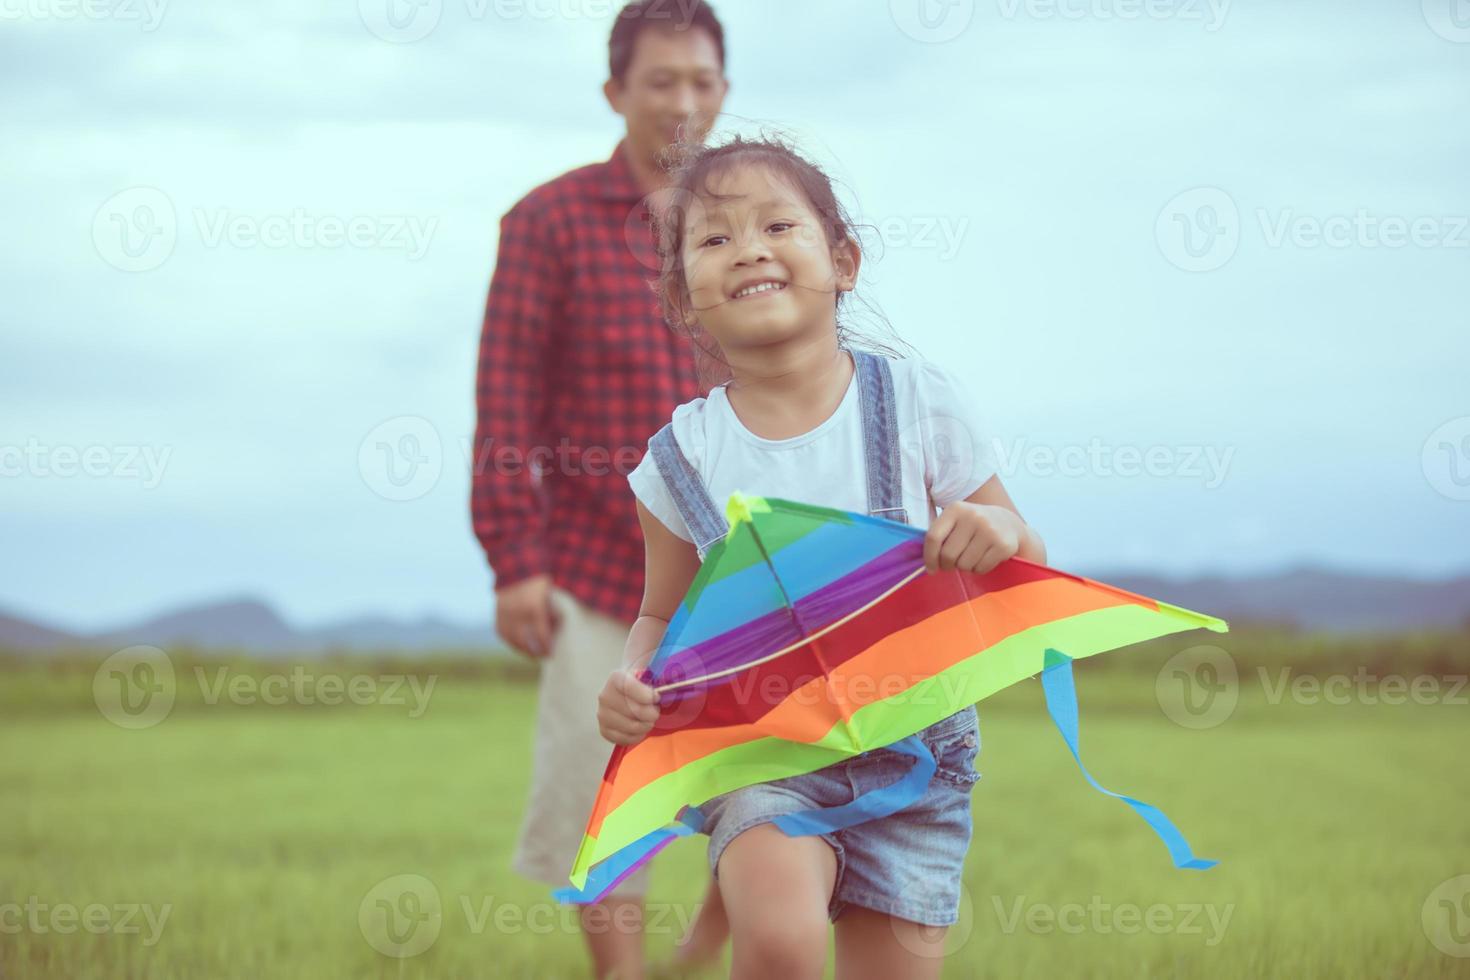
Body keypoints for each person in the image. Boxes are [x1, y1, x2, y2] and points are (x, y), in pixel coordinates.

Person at [597, 135, 1048, 979]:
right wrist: (634, 681)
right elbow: (662, 611)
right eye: (715, 239)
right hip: (758, 749)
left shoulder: (917, 400)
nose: (750, 250)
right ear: (683, 299)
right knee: (779, 942)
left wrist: (999, 536)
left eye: (777, 225)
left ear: (842, 260)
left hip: (914, 757)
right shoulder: (678, 458)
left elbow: (1024, 549)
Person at [469, 3, 732, 977]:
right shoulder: (547, 222)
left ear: (725, 91)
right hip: (594, 565)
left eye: (702, 81)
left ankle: (698, 953)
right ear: (615, 92)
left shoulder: (748, 216)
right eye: (661, 81)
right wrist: (515, 559)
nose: (683, 102)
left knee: (772, 784)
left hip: (743, 568)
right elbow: (506, 398)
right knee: (600, 791)